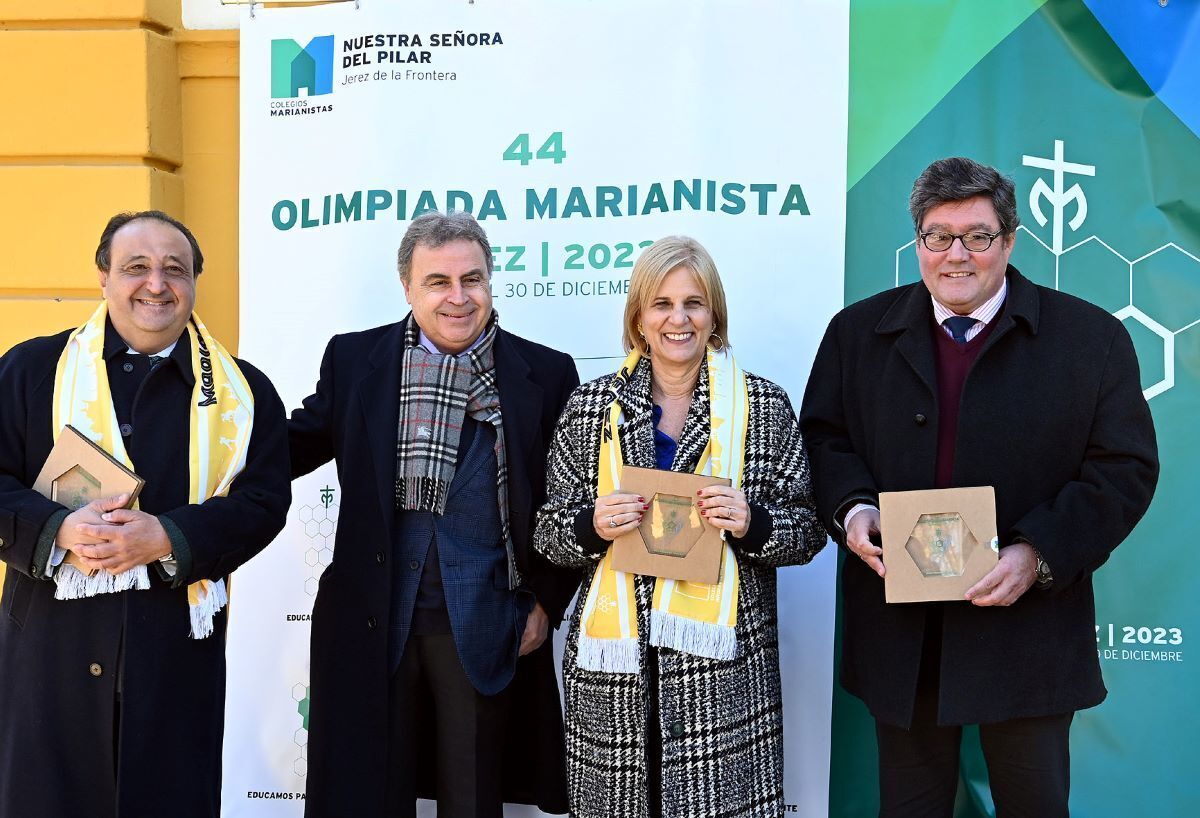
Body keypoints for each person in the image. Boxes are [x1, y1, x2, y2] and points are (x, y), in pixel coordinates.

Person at [799, 157, 1159, 817]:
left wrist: (1037, 553)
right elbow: (823, 440)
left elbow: (1124, 468)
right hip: (904, 636)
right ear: (917, 243)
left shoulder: (1091, 339)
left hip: (1028, 634)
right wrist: (853, 510)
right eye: (939, 236)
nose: (956, 254)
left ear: (1011, 240)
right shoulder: (856, 335)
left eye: (978, 235)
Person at [288, 210, 579, 818]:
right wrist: (207, 457)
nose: (457, 297)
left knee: (472, 799)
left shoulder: (545, 374)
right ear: (408, 288)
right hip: (373, 618)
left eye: (472, 280)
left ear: (491, 282)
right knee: (371, 796)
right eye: (438, 282)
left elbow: (568, 500)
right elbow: (290, 446)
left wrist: (546, 602)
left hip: (484, 621)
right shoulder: (356, 361)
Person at [0, 210, 291, 818]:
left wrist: (167, 536)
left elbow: (263, 504)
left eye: (174, 270)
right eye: (136, 267)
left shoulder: (246, 392)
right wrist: (58, 530)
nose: (156, 284)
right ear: (103, 277)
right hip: (49, 656)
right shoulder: (30, 372)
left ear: (193, 284)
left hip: (173, 661)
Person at [534, 235, 826, 818]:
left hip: (722, 673)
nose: (678, 319)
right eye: (661, 304)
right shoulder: (591, 408)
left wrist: (754, 521)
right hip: (614, 674)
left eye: (693, 302)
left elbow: (808, 531)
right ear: (638, 318)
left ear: (714, 313)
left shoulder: (763, 406)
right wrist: (591, 527)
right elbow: (547, 532)